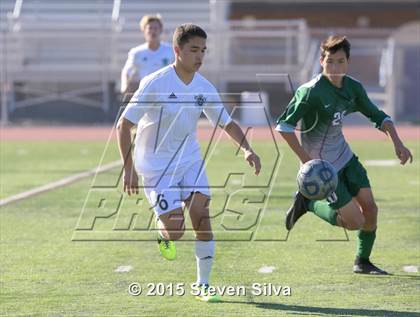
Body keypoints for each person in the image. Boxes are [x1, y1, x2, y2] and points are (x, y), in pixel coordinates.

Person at [117, 24, 261, 301]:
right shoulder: (155, 83)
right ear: (177, 50)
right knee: (176, 231)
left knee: (202, 218)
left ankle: (203, 285)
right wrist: (129, 169)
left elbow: (226, 123)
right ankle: (163, 232)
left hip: (189, 161)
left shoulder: (203, 87)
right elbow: (124, 125)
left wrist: (247, 149)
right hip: (156, 167)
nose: (200, 56)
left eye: (203, 50)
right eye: (194, 50)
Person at [276, 35, 413, 275]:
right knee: (355, 223)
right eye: (330, 61)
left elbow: (378, 116)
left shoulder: (353, 88)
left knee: (371, 210)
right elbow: (284, 127)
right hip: (322, 170)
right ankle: (308, 203)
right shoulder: (310, 92)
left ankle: (362, 262)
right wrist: (307, 162)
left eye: (340, 62)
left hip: (345, 158)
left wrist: (398, 143)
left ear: (348, 62)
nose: (335, 67)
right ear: (321, 61)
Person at [120, 15, 174, 97]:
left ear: (160, 30)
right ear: (144, 30)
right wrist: (124, 87)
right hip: (146, 94)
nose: (153, 31)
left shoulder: (170, 50)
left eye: (155, 28)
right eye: (150, 28)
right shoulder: (137, 52)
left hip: (166, 93)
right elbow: (127, 71)